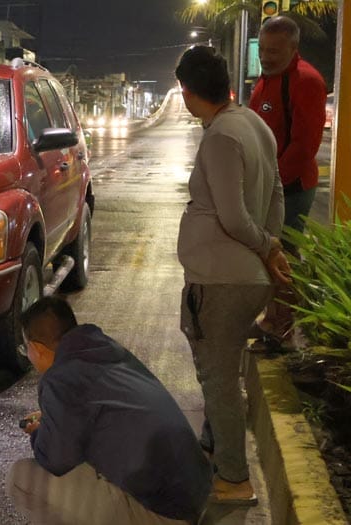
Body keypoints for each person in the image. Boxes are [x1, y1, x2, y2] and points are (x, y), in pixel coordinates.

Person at [175, 46, 291, 504]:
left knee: (219, 377)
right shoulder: (253, 124)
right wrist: (272, 244)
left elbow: (232, 216)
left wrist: (266, 248)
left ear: (187, 91)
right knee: (220, 369)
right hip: (241, 277)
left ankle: (234, 477)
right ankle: (214, 447)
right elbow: (277, 193)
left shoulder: (222, 135)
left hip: (222, 278)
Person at [6, 296, 212, 525]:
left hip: (165, 513)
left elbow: (55, 459)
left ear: (36, 349)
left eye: (27, 349)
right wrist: (54, 420)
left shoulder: (60, 379)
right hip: (195, 496)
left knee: (21, 477)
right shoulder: (104, 349)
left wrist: (38, 433)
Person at [249, 15, 327, 344]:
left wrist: (273, 184)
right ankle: (273, 319)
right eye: (263, 50)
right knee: (269, 253)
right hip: (270, 184)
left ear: (293, 48)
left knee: (282, 255)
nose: (266, 57)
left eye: (275, 52)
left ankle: (281, 329)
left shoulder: (305, 81)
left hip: (290, 188)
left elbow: (304, 146)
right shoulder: (268, 78)